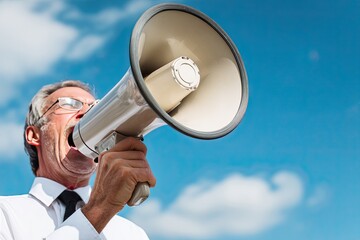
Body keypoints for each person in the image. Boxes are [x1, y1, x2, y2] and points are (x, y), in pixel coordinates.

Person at [0, 80, 156, 239]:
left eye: (95, 107)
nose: (88, 113)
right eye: (70, 104)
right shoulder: (4, 214)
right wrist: (97, 211)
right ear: (34, 135)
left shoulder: (132, 234)